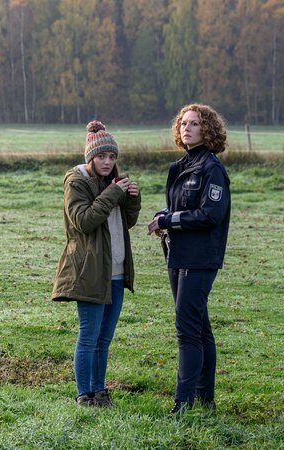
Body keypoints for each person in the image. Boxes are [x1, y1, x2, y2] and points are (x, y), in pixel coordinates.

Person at [147, 104, 231, 415]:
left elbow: (210, 215)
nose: (187, 128)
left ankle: (183, 403)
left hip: (201, 257)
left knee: (186, 328)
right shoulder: (179, 167)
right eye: (184, 123)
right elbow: (178, 209)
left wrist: (169, 221)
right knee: (199, 328)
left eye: (195, 124)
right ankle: (205, 399)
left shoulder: (212, 169)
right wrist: (163, 216)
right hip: (177, 254)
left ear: (208, 130)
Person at [52, 120, 141, 408]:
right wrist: (114, 194)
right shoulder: (76, 182)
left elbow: (125, 223)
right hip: (89, 271)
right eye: (102, 156)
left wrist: (131, 202)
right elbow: (85, 221)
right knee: (89, 336)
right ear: (90, 157)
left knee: (105, 339)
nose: (107, 161)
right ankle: (84, 395)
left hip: (115, 272)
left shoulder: (111, 183)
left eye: (112, 157)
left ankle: (100, 393)